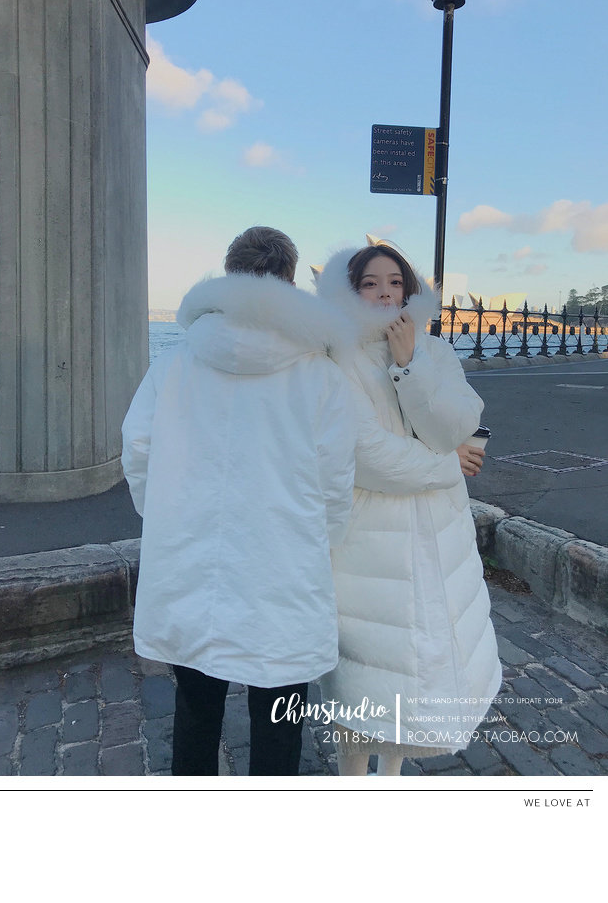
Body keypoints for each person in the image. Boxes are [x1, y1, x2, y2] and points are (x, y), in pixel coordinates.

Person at [121, 226, 358, 776]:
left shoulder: (175, 362)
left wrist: (166, 515)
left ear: (228, 274)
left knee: (195, 704)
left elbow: (138, 448)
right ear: (290, 283)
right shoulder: (321, 374)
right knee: (280, 710)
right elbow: (334, 478)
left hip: (189, 554)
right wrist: (321, 542)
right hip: (283, 560)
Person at [315, 235, 502, 776]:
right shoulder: (340, 358)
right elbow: (365, 455)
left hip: (440, 536)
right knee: (366, 681)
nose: (384, 293)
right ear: (350, 291)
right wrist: (447, 466)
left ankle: (391, 783)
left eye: (395, 282)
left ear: (410, 289)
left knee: (421, 675)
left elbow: (455, 427)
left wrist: (410, 364)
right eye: (370, 283)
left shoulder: (434, 352)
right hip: (370, 540)